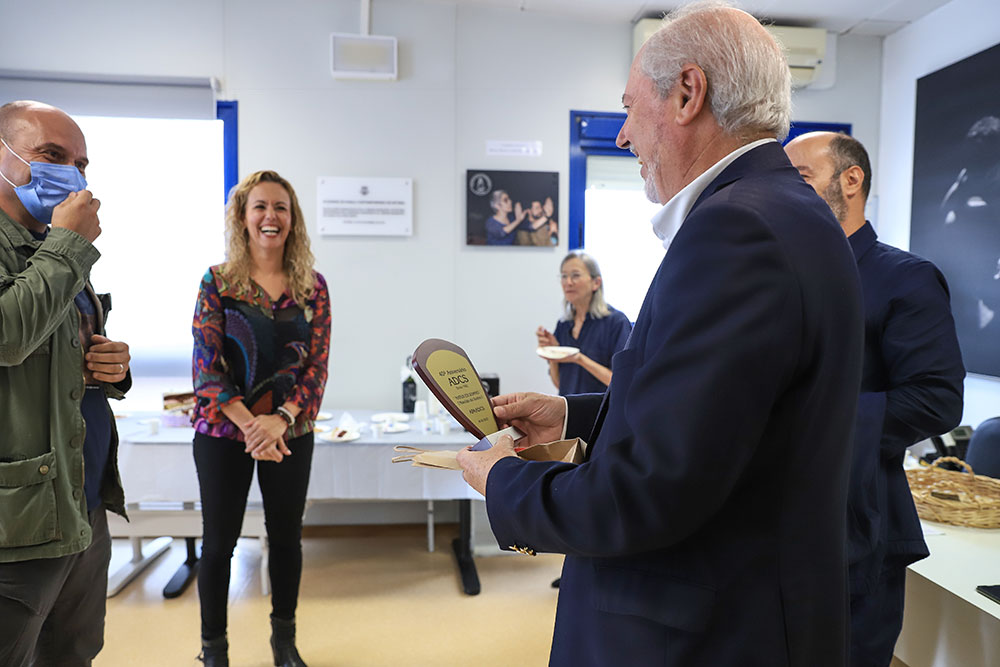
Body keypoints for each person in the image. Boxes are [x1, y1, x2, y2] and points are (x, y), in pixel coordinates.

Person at [456, 3, 864, 665]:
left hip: (705, 628)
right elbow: (721, 416)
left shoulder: (736, 233)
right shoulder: (787, 211)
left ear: (686, 93)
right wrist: (569, 414)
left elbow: (649, 488)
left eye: (628, 107)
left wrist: (501, 480)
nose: (622, 136)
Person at [784, 131, 965, 667]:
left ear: (851, 179)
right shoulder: (783, 277)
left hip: (856, 522)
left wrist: (811, 423)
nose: (787, 194)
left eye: (801, 179)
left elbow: (937, 399)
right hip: (775, 519)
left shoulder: (905, 279)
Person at [0, 100, 132, 666]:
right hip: (18, 524)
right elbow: (7, 335)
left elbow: (61, 355)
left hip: (80, 503)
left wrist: (114, 367)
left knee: (73, 654)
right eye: (52, 156)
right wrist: (70, 245)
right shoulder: (63, 247)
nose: (73, 176)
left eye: (81, 164)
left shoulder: (55, 250)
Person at [191, 170, 331, 667]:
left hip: (291, 430)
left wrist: (281, 419)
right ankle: (214, 648)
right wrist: (253, 424)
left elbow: (316, 367)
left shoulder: (312, 288)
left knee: (287, 538)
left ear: (292, 220)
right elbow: (206, 368)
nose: (271, 217)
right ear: (243, 217)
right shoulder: (218, 282)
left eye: (281, 208)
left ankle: (284, 640)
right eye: (260, 207)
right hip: (224, 431)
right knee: (219, 543)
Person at [536, 250, 631, 395]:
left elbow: (619, 382)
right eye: (564, 276)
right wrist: (552, 351)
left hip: (601, 413)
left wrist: (579, 359)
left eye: (575, 275)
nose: (568, 282)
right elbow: (559, 384)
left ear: (596, 283)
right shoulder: (564, 325)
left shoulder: (616, 322)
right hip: (569, 411)